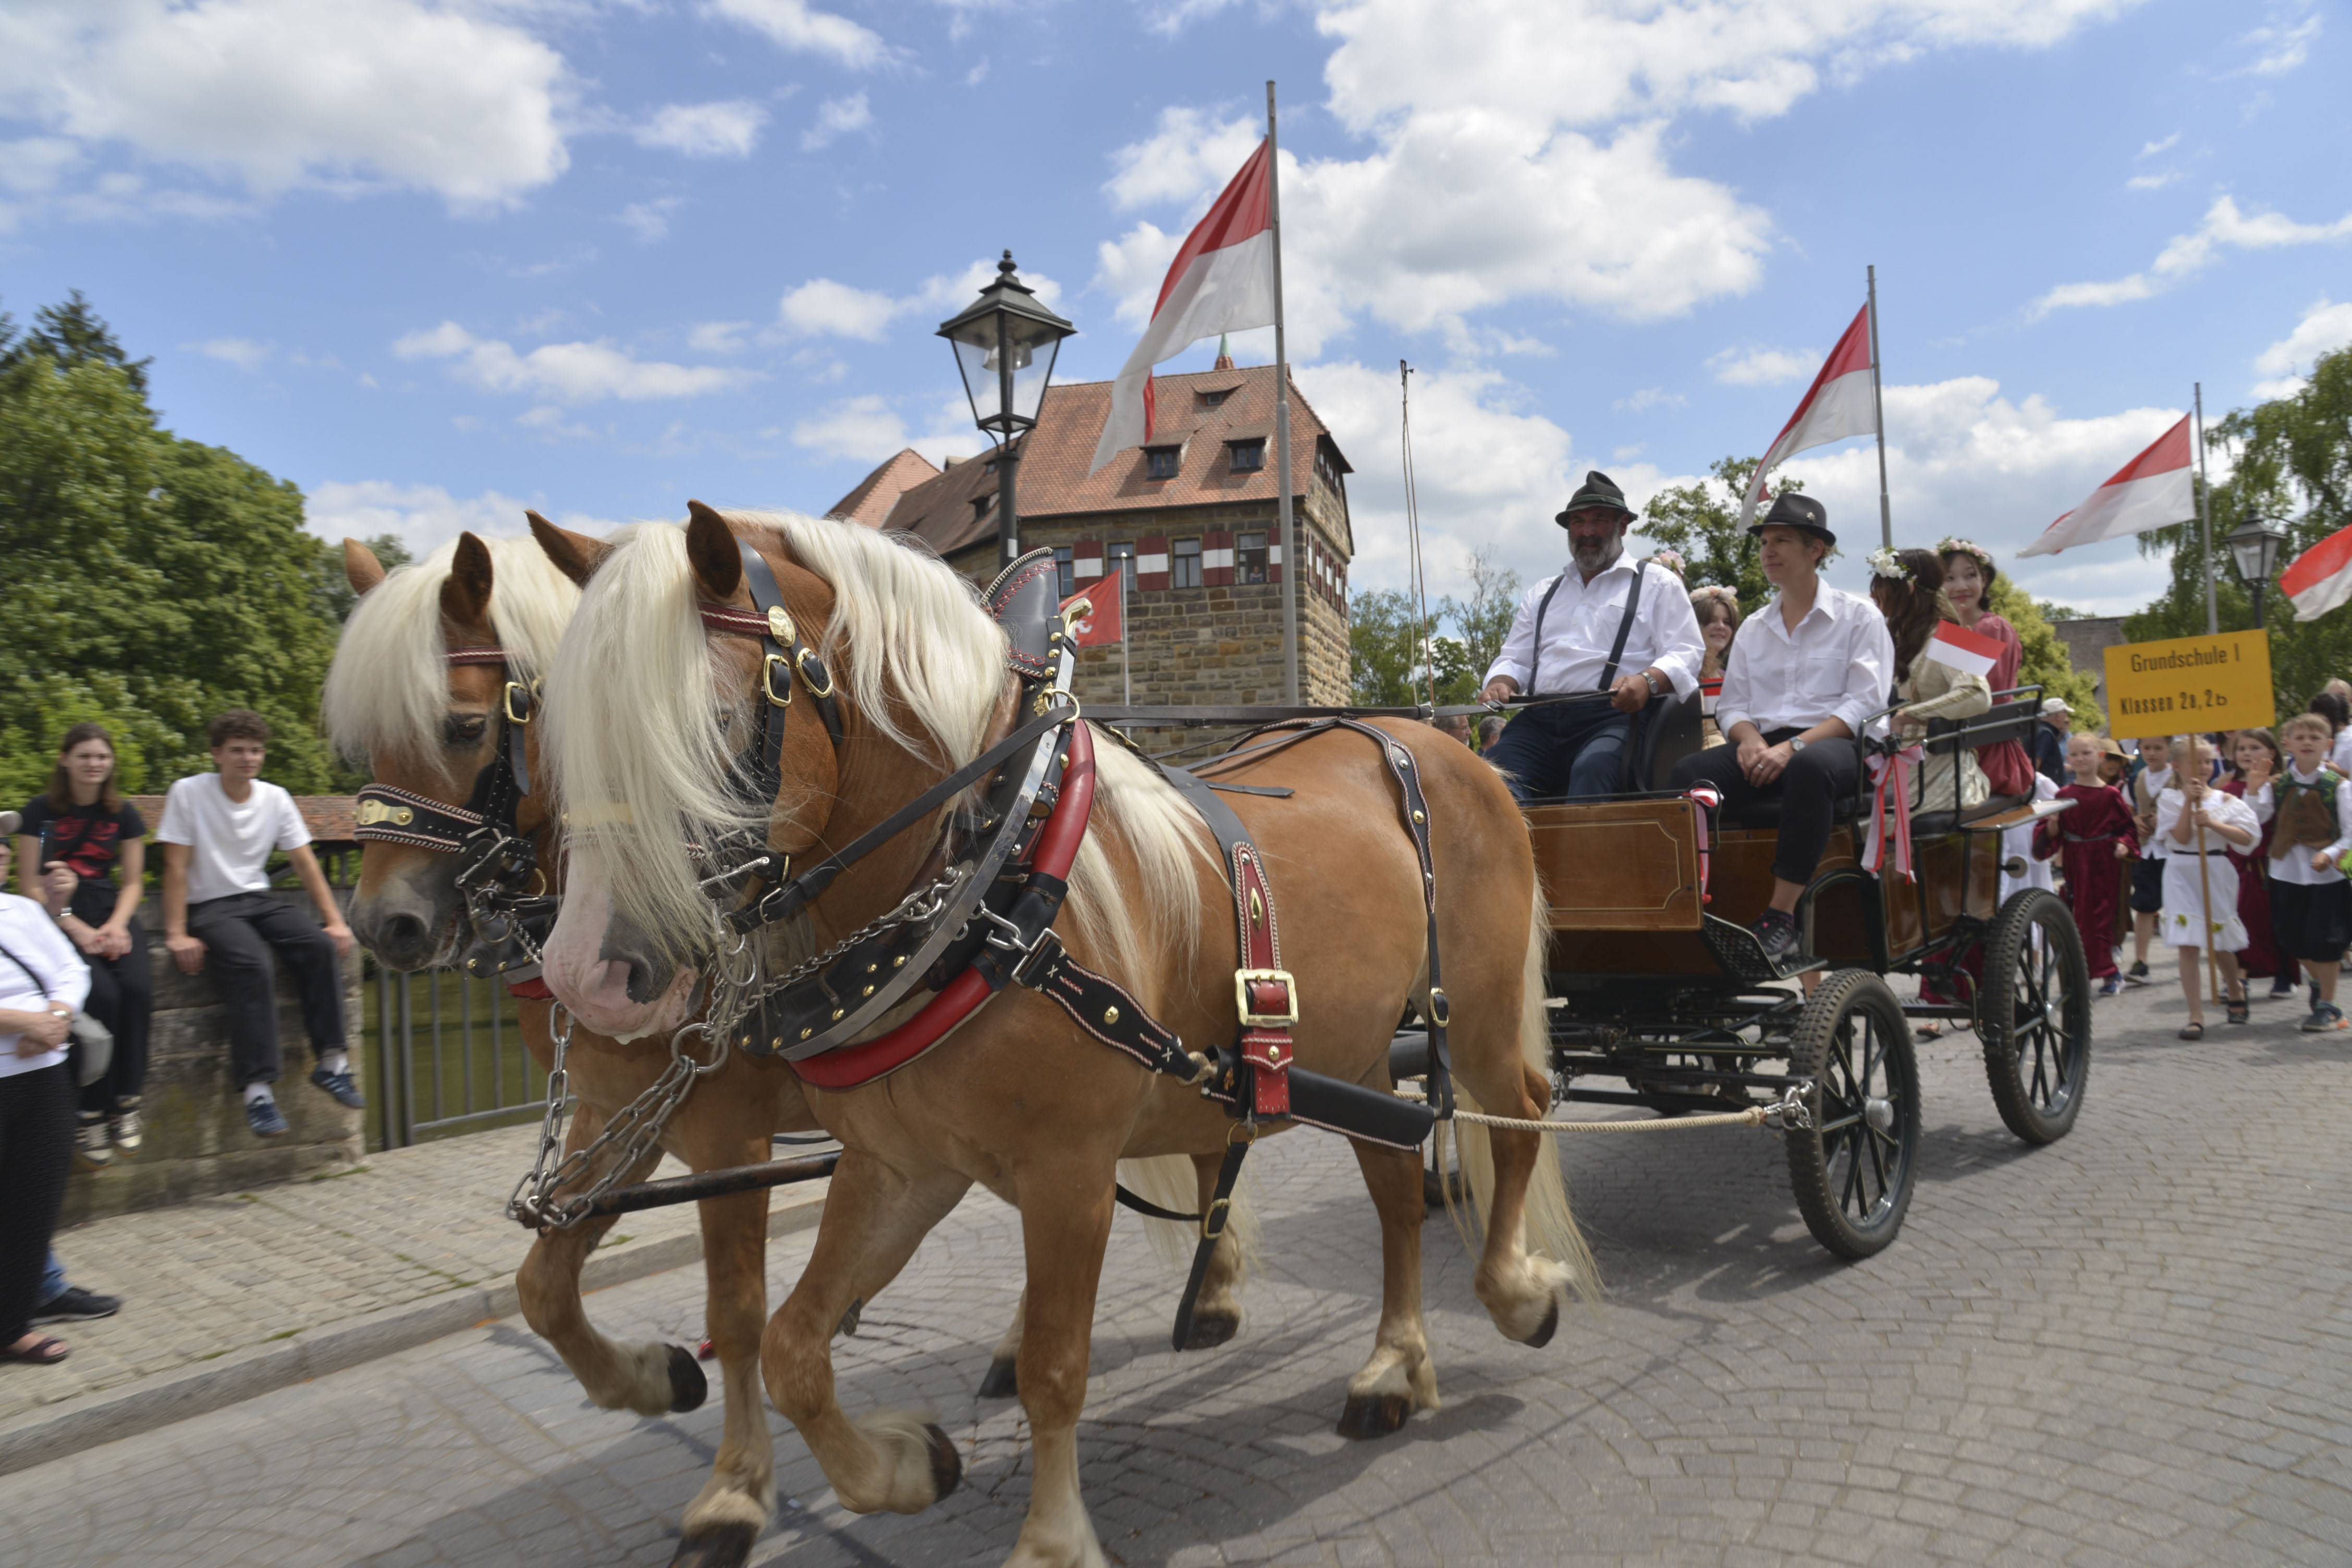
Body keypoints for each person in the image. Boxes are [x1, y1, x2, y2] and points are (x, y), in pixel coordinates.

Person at [1668, 494, 1894, 961]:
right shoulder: (1754, 626)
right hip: (1769, 743)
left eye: (1782, 541)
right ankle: (1698, 905)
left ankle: (1781, 918)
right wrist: (1750, 740)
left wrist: (1791, 747)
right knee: (1687, 774)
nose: (1768, 551)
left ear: (1816, 550)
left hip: (1838, 745)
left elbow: (1864, 704)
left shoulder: (1859, 617)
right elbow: (1733, 707)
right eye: (1765, 542)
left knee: (1809, 767)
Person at [157, 711, 362, 1140]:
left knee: (319, 947)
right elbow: (175, 867)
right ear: (217, 754)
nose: (248, 758)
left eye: (255, 750)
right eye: (237, 750)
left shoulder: (274, 797)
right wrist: (177, 933)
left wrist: (334, 921)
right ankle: (258, 1091)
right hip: (210, 906)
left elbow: (305, 862)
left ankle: (333, 1064)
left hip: (258, 899)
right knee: (252, 965)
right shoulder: (189, 793)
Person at [1479, 472, 1705, 803]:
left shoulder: (1657, 584)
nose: (1587, 531)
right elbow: (1515, 657)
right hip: (1540, 720)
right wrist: (1501, 683)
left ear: (1623, 524)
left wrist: (1648, 682)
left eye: (1599, 520)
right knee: (1490, 775)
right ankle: (1519, 855)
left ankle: (1584, 855)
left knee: (1593, 768)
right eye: (1578, 521)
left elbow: (1686, 652)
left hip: (1613, 718)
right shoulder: (1544, 592)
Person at [16, 724, 152, 1168]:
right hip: (55, 916)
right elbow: (29, 885)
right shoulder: (39, 814)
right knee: (100, 997)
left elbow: (132, 882)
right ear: (65, 760)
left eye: (102, 757)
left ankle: (127, 1101)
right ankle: (90, 1110)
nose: (94, 764)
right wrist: (73, 927)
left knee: (136, 991)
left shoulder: (123, 814)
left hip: (110, 909)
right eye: (85, 756)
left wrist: (116, 925)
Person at [0, 813, 89, 1366]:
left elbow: (71, 970)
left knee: (33, 1201)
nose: (2, 852)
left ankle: (11, 1323)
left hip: (45, 1073)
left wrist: (56, 1015)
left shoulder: (25, 910)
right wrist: (20, 1023)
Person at [2248, 713, 2352, 1032]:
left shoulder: (2340, 786)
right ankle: (2321, 982)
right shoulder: (2278, 784)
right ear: (2287, 743)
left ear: (2328, 745)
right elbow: (2254, 820)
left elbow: (2350, 833)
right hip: (2286, 872)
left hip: (2327, 878)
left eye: (2315, 738)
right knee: (2291, 938)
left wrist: (2329, 852)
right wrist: (2252, 790)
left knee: (2326, 940)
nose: (2307, 743)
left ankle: (2329, 1006)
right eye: (2301, 737)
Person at [1867, 547, 1990, 814]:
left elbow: (1978, 694)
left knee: (1864, 823)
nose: (1872, 595)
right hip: (1895, 763)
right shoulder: (1893, 636)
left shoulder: (1954, 634)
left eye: (1881, 587)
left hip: (1938, 768)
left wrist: (1909, 715)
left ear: (1908, 589)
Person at [2157, 736, 2256, 1037]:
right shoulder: (2169, 798)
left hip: (2214, 869)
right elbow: (2183, 837)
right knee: (2188, 943)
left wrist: (2214, 824)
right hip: (2181, 870)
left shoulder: (2227, 801)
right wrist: (2189, 802)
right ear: (2177, 765)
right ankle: (2195, 1014)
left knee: (2219, 940)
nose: (2203, 767)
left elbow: (2247, 839)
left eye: (2207, 761)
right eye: (2195, 761)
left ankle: (2235, 987)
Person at [2035, 733, 2137, 996]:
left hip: (2104, 862)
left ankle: (2108, 972)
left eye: (2087, 753)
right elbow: (2049, 832)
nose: (2081, 759)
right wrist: (2055, 822)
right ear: (2068, 759)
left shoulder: (2111, 794)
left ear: (2100, 757)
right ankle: (2080, 974)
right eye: (2075, 755)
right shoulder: (2064, 793)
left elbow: (2127, 827)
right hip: (2075, 860)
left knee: (2101, 917)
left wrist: (2124, 844)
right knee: (2078, 915)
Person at [1934, 537, 2038, 797]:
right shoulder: (1944, 632)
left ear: (1984, 581)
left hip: (1982, 751)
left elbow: (1977, 698)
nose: (1960, 586)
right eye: (1949, 579)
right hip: (1954, 745)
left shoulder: (1992, 628)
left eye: (1970, 576)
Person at [2221, 728, 2292, 999]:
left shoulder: (2278, 785)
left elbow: (2256, 822)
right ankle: (2241, 974)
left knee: (2274, 921)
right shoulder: (2227, 789)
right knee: (2237, 920)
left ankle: (2284, 973)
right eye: (2242, 749)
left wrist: (2254, 789)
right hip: (2234, 865)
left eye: (2255, 748)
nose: (2247, 753)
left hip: (2268, 864)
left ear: (2272, 752)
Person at [2124, 736, 2174, 984]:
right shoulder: (2136, 778)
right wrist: (2135, 822)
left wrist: (2164, 821)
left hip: (2174, 851)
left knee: (2182, 905)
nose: (2152, 753)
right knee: (2144, 905)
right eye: (2147, 748)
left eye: (2158, 748)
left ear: (2169, 750)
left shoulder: (2180, 777)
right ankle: (2141, 961)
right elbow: (2127, 809)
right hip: (2146, 850)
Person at [1690, 585, 1742, 748]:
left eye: (1727, 622)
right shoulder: (1685, 671)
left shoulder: (1725, 676)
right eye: (1712, 621)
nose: (1721, 626)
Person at [2032, 699, 2071, 783]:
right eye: (2065, 712)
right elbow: (2034, 766)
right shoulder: (2045, 734)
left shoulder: (2041, 731)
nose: (2066, 717)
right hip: (2049, 794)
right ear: (2058, 716)